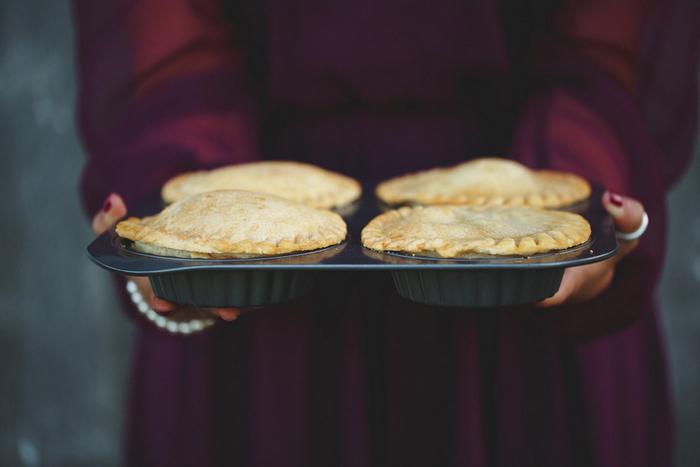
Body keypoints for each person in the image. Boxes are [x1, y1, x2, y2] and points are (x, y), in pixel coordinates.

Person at [75, 0, 699, 465]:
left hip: (532, 294)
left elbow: (612, 37)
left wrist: (585, 182)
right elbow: (169, 42)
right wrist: (175, 198)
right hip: (261, 296)